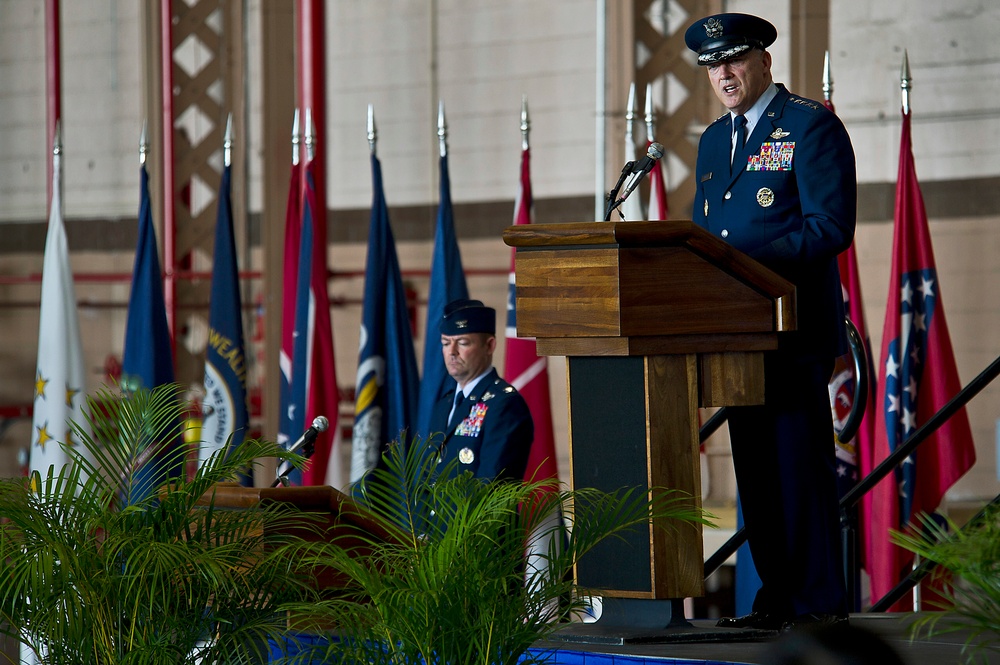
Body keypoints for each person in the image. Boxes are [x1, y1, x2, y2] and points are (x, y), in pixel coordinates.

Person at [684, 13, 856, 631]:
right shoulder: (711, 142)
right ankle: (776, 598)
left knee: (798, 472)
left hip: (792, 332)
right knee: (755, 476)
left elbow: (829, 227)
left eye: (734, 60)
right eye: (713, 66)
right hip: (736, 336)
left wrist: (744, 260)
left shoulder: (809, 126)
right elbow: (703, 236)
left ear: (764, 62)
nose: (724, 74)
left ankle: (816, 603)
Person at [423, 298, 533, 482]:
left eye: (463, 343)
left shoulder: (503, 404)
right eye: (445, 343)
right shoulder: (445, 404)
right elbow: (427, 481)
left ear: (489, 346)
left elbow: (491, 485)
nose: (452, 352)